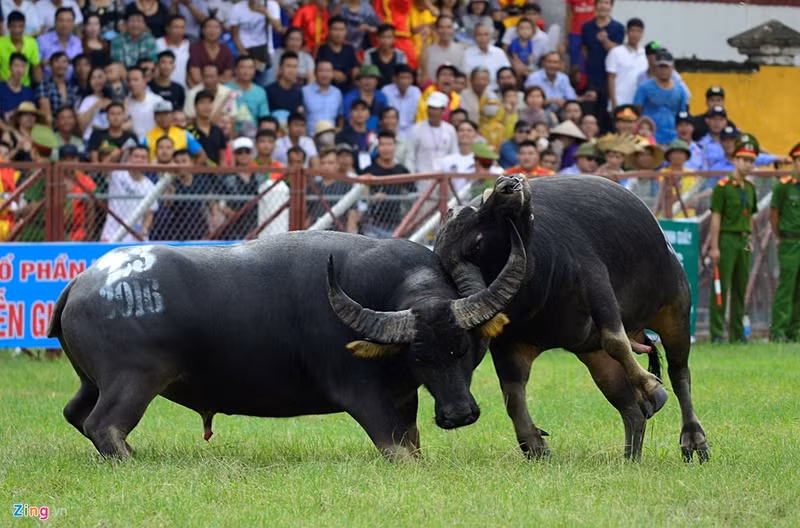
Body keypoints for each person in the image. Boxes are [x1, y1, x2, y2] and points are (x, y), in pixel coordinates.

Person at [707, 134, 762, 343]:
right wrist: (714, 247)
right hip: (726, 240)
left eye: (751, 161)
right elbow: (716, 217)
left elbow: (751, 217)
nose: (748, 165)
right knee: (722, 287)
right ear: (734, 160)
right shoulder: (723, 187)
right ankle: (717, 333)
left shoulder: (750, 188)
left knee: (741, 288)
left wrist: (750, 239)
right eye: (744, 160)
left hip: (743, 241)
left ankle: (738, 334)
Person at [769, 142, 800, 342]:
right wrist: (780, 236)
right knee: (786, 288)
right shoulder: (784, 186)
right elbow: (774, 215)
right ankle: (778, 331)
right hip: (790, 242)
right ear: (794, 162)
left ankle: (794, 330)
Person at [580, 0, 624, 129]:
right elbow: (584, 49)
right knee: (591, 111)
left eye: (606, 3)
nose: (603, 6)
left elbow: (617, 51)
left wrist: (605, 41)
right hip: (592, 77)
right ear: (595, 5)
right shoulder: (586, 27)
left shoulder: (618, 28)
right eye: (600, 2)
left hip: (611, 77)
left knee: (607, 113)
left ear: (611, 6)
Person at [100, 145, 158, 242]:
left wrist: (144, 230)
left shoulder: (150, 186)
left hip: (135, 234)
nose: (139, 160)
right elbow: (103, 167)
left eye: (143, 157)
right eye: (136, 156)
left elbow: (149, 214)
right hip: (111, 232)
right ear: (129, 158)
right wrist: (117, 153)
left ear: (148, 161)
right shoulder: (117, 175)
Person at [361, 130, 413, 238]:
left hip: (397, 225)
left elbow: (413, 194)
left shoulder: (402, 171)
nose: (386, 148)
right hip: (373, 225)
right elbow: (361, 198)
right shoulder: (369, 171)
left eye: (389, 144)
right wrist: (372, 199)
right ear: (378, 147)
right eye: (383, 145)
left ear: (395, 147)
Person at [632, 49, 687, 145]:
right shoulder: (644, 87)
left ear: (672, 68)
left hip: (673, 139)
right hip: (649, 139)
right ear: (655, 68)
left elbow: (682, 116)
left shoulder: (681, 90)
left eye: (666, 67)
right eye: (660, 67)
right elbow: (636, 113)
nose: (663, 70)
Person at [229, 0, 281, 83]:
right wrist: (247, 56)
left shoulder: (271, 5)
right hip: (244, 54)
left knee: (266, 87)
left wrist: (266, 13)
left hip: (265, 53)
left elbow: (278, 28)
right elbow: (235, 35)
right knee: (244, 87)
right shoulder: (237, 8)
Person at [219, 136, 259, 240]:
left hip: (257, 221)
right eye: (239, 152)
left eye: (247, 152)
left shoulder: (259, 176)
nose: (243, 155)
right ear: (235, 155)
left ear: (252, 154)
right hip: (234, 224)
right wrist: (227, 211)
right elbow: (220, 200)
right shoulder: (228, 177)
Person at [409, 91, 458, 175]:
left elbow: (454, 154)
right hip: (422, 177)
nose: (431, 111)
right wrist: (412, 175)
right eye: (430, 108)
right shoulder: (416, 129)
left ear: (443, 111)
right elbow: (410, 156)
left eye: (435, 108)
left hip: (444, 178)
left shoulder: (450, 129)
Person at [605, 17, 645, 111]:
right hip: (620, 103)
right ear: (627, 32)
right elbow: (611, 78)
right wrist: (614, 103)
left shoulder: (645, 53)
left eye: (638, 31)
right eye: (632, 31)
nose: (635, 34)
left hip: (639, 105)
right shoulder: (616, 52)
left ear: (643, 33)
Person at [228, 55, 269, 136]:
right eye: (242, 67)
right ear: (236, 70)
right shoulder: (227, 89)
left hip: (254, 136)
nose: (246, 71)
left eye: (250, 68)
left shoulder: (260, 92)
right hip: (230, 135)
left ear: (254, 70)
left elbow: (264, 118)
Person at [419, 15, 465, 86]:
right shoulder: (428, 51)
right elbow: (422, 79)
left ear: (453, 30)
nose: (445, 31)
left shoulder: (461, 50)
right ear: (436, 30)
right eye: (441, 27)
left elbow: (463, 80)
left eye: (448, 27)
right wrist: (424, 41)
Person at [37, 7, 83, 78]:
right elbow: (37, 65)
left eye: (68, 21)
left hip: (72, 84)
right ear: (55, 22)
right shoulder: (42, 40)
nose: (64, 24)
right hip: (48, 83)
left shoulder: (77, 41)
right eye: (61, 20)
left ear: (73, 24)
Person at [316, 16, 359, 92]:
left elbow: (355, 67)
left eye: (341, 30)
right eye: (335, 29)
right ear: (329, 30)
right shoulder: (321, 49)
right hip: (326, 88)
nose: (338, 33)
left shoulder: (349, 49)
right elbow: (316, 69)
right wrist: (332, 73)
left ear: (346, 32)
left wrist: (356, 77)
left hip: (348, 88)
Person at [0, 11, 42, 87]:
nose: (17, 30)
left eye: (20, 26)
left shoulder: (32, 42)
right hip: (5, 87)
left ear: (24, 26)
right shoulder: (0, 43)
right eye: (14, 26)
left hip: (25, 87)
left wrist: (42, 89)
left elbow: (36, 68)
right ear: (8, 27)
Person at [188, 17, 234, 86]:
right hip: (200, 88)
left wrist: (211, 82)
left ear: (221, 31)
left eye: (216, 27)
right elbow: (196, 77)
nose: (212, 30)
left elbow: (227, 76)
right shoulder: (195, 49)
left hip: (220, 88)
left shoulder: (226, 49)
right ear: (203, 30)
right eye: (209, 27)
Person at [464, 24, 510, 91]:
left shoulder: (499, 52)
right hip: (477, 92)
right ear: (474, 36)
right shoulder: (467, 54)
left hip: (498, 91)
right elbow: (467, 78)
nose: (483, 38)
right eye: (479, 35)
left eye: (486, 34)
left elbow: (507, 72)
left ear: (490, 36)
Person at [186, 89, 226, 166]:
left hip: (215, 175)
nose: (206, 106)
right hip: (195, 174)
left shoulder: (218, 130)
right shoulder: (188, 130)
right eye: (202, 102)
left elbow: (222, 159)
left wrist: (221, 175)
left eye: (209, 103)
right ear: (195, 106)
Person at [341, 64, 387, 131]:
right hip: (354, 134)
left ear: (377, 81)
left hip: (377, 135)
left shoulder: (382, 97)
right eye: (364, 77)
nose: (368, 81)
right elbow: (349, 119)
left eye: (371, 77)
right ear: (359, 81)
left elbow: (384, 119)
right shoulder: (350, 97)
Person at [380, 64, 420, 139]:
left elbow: (417, 117)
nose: (405, 81)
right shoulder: (386, 91)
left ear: (412, 80)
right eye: (402, 78)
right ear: (395, 79)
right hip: (390, 131)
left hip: (411, 133)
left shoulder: (416, 92)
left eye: (408, 78)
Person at [363, 24, 408, 89]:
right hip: (375, 91)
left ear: (394, 39)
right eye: (383, 37)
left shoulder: (400, 55)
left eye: (389, 37)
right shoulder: (369, 53)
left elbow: (403, 76)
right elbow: (367, 76)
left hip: (394, 91)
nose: (385, 41)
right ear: (377, 38)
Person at [127, 66, 165, 139]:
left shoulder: (157, 101)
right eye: (129, 80)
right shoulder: (125, 104)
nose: (131, 84)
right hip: (134, 147)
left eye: (135, 80)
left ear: (144, 80)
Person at [441, 119, 478, 188]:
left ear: (476, 135)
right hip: (451, 198)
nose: (465, 133)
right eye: (461, 130)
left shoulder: (481, 161)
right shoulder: (447, 161)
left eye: (469, 130)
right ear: (456, 134)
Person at [156, 14, 190, 87]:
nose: (179, 31)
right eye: (176, 27)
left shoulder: (188, 45)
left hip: (182, 90)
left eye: (182, 27)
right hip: (160, 88)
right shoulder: (157, 44)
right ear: (167, 28)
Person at [376, 106, 414, 171]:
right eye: (386, 117)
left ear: (398, 120)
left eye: (393, 118)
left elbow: (409, 168)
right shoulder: (375, 142)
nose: (390, 121)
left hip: (401, 178)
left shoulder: (406, 144)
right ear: (381, 121)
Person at [0, 53, 35, 120]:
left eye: (22, 66)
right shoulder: (1, 88)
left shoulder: (29, 93)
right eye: (16, 65)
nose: (19, 70)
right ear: (9, 67)